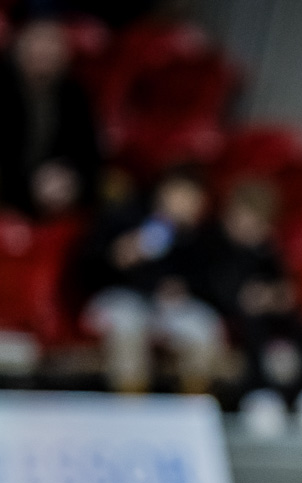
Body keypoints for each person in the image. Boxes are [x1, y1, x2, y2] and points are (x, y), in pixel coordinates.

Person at [199, 179, 302, 437]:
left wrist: (273, 297)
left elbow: (285, 288)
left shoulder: (264, 250)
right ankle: (260, 393)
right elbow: (217, 288)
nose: (250, 228)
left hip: (264, 313)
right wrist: (251, 298)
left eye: (257, 223)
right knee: (253, 321)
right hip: (226, 316)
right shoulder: (212, 244)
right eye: (244, 220)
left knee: (299, 322)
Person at [77, 167, 223, 394]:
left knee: (203, 325)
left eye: (194, 199)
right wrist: (117, 257)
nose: (188, 204)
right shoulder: (125, 215)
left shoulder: (199, 236)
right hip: (119, 297)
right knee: (127, 322)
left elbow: (210, 283)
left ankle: (192, 403)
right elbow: (88, 271)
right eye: (182, 196)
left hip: (165, 308)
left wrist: (184, 287)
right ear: (163, 192)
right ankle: (131, 402)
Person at [0, 16, 101, 220]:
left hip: (57, 197)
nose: (44, 52)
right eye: (37, 43)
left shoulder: (73, 93)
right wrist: (29, 186)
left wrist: (71, 179)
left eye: (52, 45)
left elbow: (88, 153)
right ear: (19, 48)